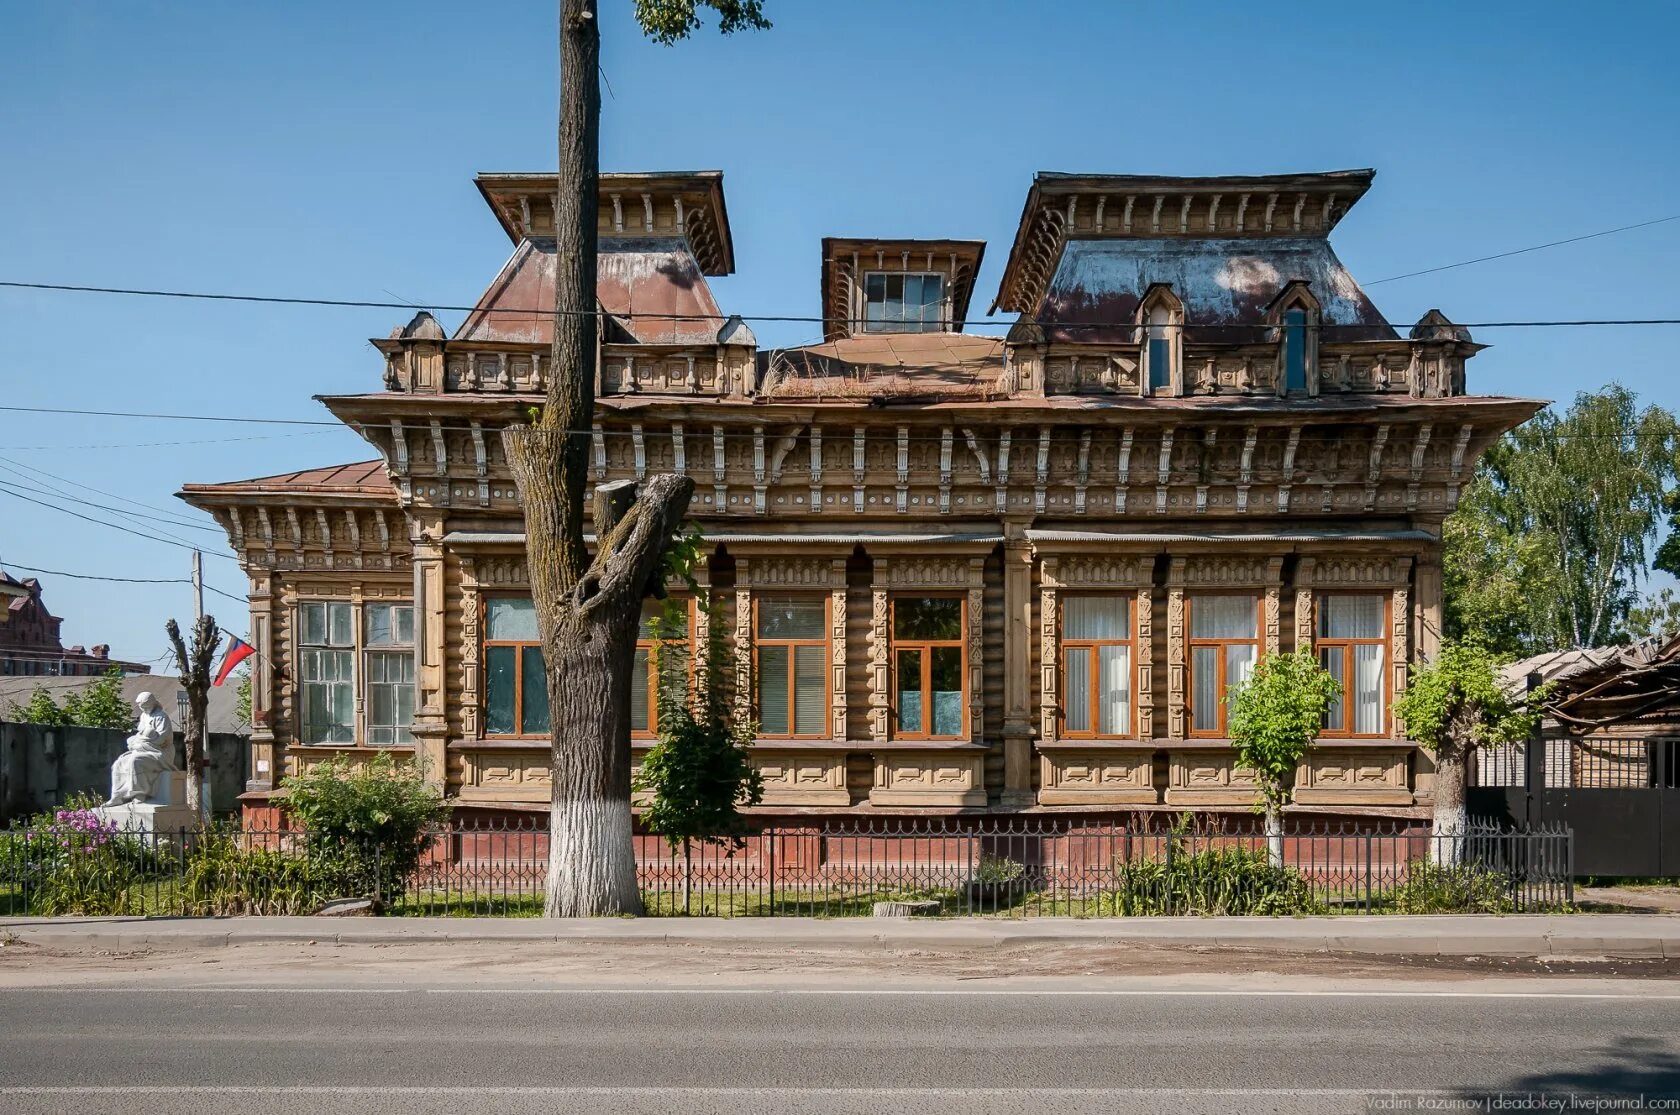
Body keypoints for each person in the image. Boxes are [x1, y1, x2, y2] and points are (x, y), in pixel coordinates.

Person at [104, 692, 174, 806]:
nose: (144, 709)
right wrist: (136, 741)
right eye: (142, 707)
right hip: (142, 748)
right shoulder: (143, 716)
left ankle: (139, 794)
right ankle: (118, 795)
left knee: (136, 761)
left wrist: (141, 743)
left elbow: (162, 739)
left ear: (153, 704)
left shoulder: (162, 717)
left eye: (146, 707)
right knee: (119, 763)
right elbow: (140, 734)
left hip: (159, 752)